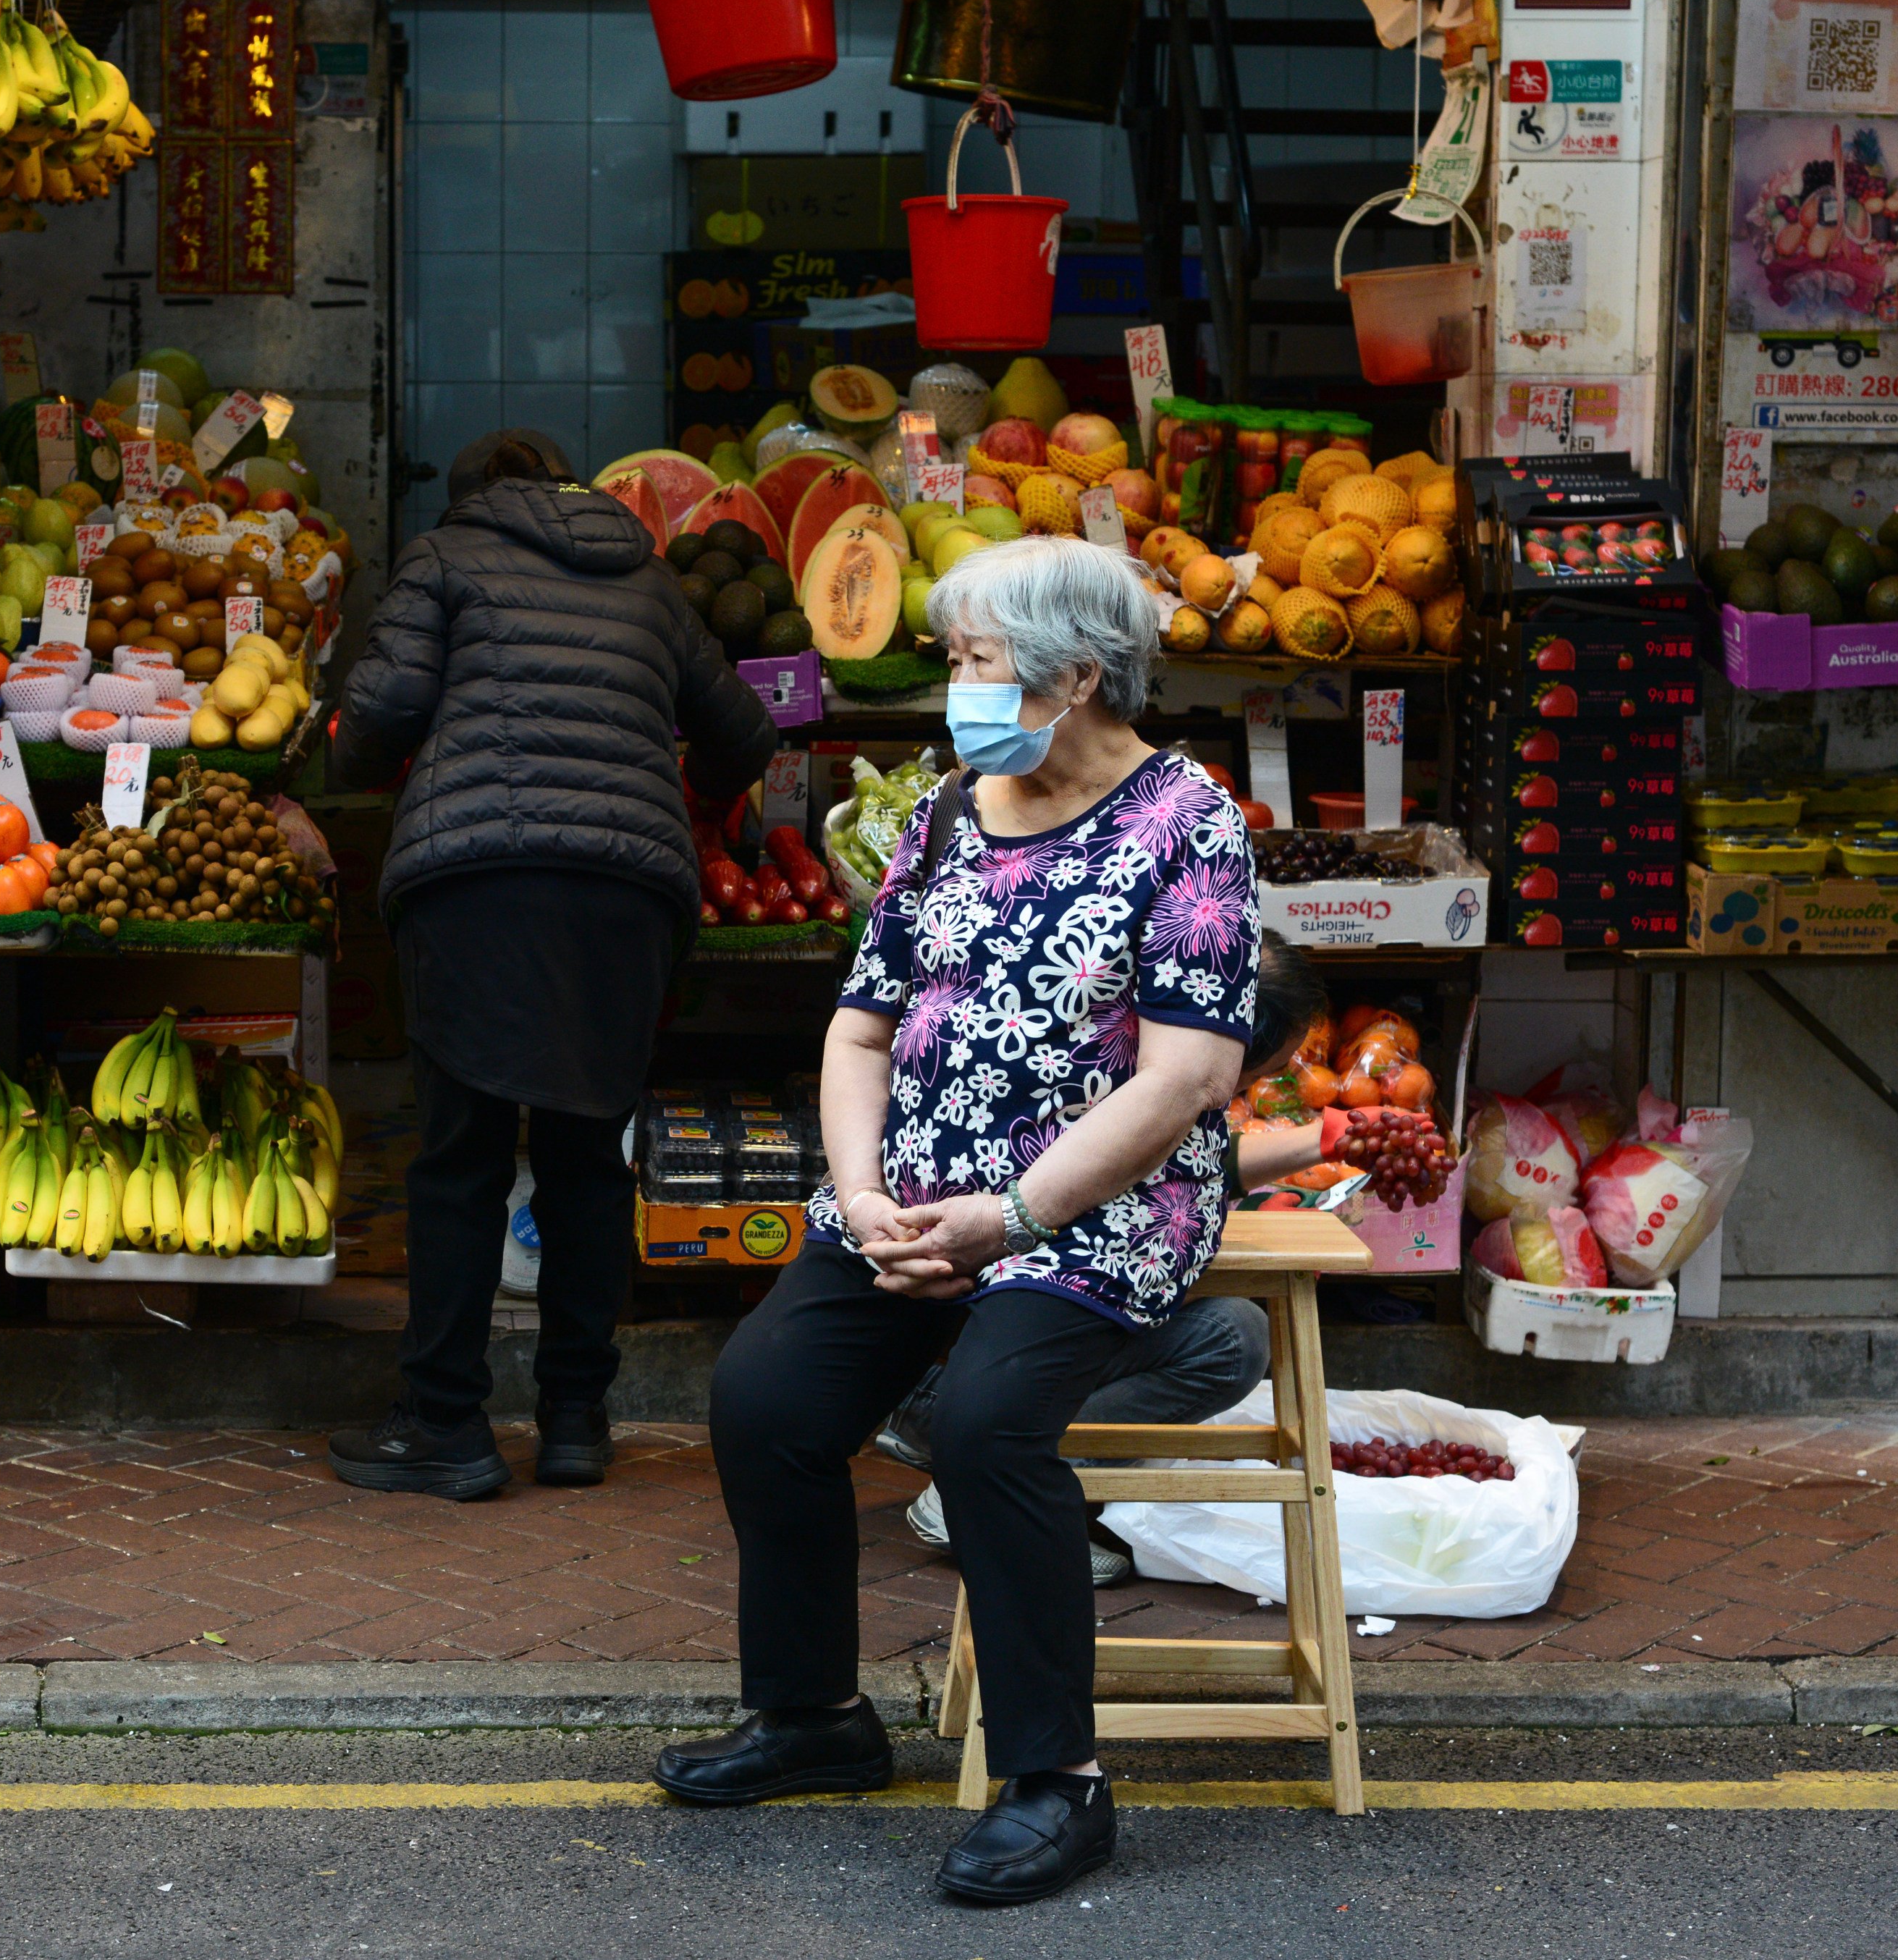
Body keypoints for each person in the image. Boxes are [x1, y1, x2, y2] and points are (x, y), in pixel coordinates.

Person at [654, 534, 1262, 1907]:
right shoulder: (943, 812)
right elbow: (860, 1032)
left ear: (1078, 677)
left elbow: (1190, 1074)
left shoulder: (1189, 823)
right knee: (765, 1398)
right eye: (958, 657)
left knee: (987, 1420)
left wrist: (1012, 1215)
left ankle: (1058, 1782)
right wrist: (863, 1192)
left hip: (1094, 1210)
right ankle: (813, 1715)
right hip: (913, 1189)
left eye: (980, 660)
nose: (957, 686)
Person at [325, 428, 777, 1501]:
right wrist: (688, 788)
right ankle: (576, 1421)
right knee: (585, 1154)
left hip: (476, 878)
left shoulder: (443, 555)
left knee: (459, 1156)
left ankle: (446, 1420)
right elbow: (744, 736)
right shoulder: (651, 580)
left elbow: (379, 709)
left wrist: (352, 771)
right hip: (624, 893)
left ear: (474, 497)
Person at [882, 942, 1330, 1570]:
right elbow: (1133, 1183)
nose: (1248, 1088)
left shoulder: (1108, 1035)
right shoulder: (1139, 1087)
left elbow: (1187, 1161)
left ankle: (986, 1461)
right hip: (955, 1362)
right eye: (1256, 1076)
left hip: (948, 1354)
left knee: (1218, 1325)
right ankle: (989, 1485)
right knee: (1230, 1339)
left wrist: (1319, 1142)